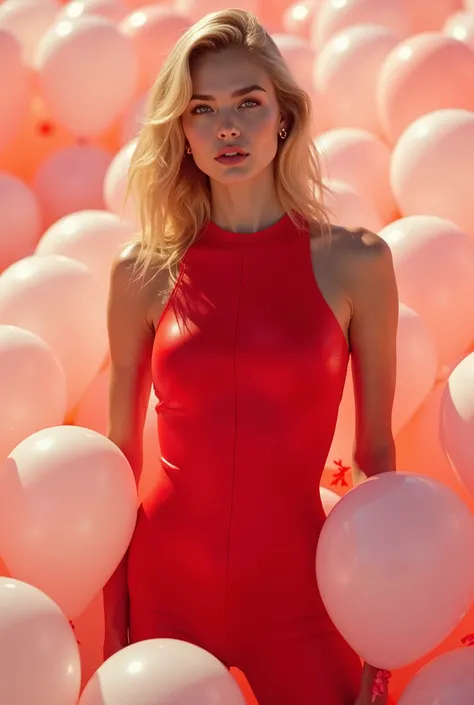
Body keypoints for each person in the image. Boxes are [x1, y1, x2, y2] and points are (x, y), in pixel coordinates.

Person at [104, 8, 398, 705]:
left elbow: (376, 455)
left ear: (284, 118)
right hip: (165, 594)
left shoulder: (356, 262)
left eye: (248, 103)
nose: (227, 126)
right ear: (181, 129)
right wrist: (115, 631)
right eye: (203, 108)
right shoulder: (141, 270)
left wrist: (381, 644)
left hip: (299, 596)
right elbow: (120, 460)